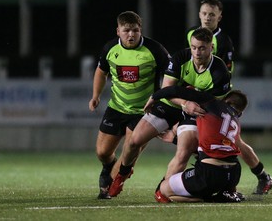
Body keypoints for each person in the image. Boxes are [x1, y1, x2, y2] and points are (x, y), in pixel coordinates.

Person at [108, 27, 232, 197]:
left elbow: (213, 105)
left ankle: (164, 188)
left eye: (202, 48)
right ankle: (123, 173)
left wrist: (185, 113)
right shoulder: (180, 58)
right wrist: (184, 103)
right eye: (194, 47)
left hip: (198, 112)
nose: (196, 52)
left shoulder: (220, 71)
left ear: (211, 47)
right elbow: (168, 90)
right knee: (134, 141)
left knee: (184, 152)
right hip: (172, 105)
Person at [88, 11, 170, 199]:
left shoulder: (155, 50)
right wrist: (95, 96)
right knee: (102, 152)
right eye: (126, 30)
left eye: (135, 30)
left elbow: (172, 76)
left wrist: (164, 102)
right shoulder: (110, 49)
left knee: (129, 150)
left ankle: (110, 185)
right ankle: (110, 166)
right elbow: (101, 72)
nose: (131, 34)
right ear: (118, 31)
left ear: (140, 30)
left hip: (144, 112)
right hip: (116, 108)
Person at [145, 86, 260, 202]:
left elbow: (173, 90)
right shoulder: (235, 119)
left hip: (210, 173)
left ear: (226, 100)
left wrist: (153, 98)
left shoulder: (211, 103)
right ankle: (227, 193)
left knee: (164, 189)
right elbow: (213, 141)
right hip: (234, 174)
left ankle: (209, 199)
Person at [187, 0, 235, 74]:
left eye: (212, 15)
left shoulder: (223, 40)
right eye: (204, 13)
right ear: (199, 15)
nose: (207, 18)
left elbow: (226, 71)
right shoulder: (190, 33)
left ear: (219, 18)